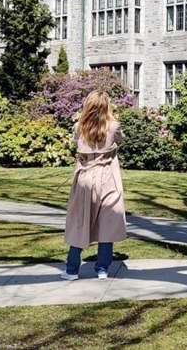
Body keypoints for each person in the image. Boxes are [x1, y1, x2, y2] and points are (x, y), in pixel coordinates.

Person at [61, 91, 127, 281]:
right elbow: (120, 140)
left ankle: (72, 270)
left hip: (85, 178)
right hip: (107, 178)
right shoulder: (113, 126)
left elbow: (76, 144)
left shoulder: (78, 127)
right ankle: (102, 269)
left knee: (79, 222)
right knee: (107, 223)